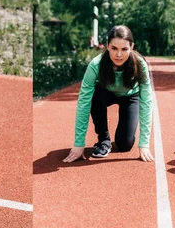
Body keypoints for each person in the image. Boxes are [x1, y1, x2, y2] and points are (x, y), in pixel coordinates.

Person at [63, 25, 154, 163]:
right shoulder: (96, 65)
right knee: (94, 95)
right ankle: (104, 140)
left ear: (132, 47)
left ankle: (126, 133)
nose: (118, 54)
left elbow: (146, 102)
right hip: (105, 94)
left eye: (124, 49)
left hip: (130, 96)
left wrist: (144, 144)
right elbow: (84, 102)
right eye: (114, 48)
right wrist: (79, 143)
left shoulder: (140, 65)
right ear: (107, 46)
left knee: (124, 145)